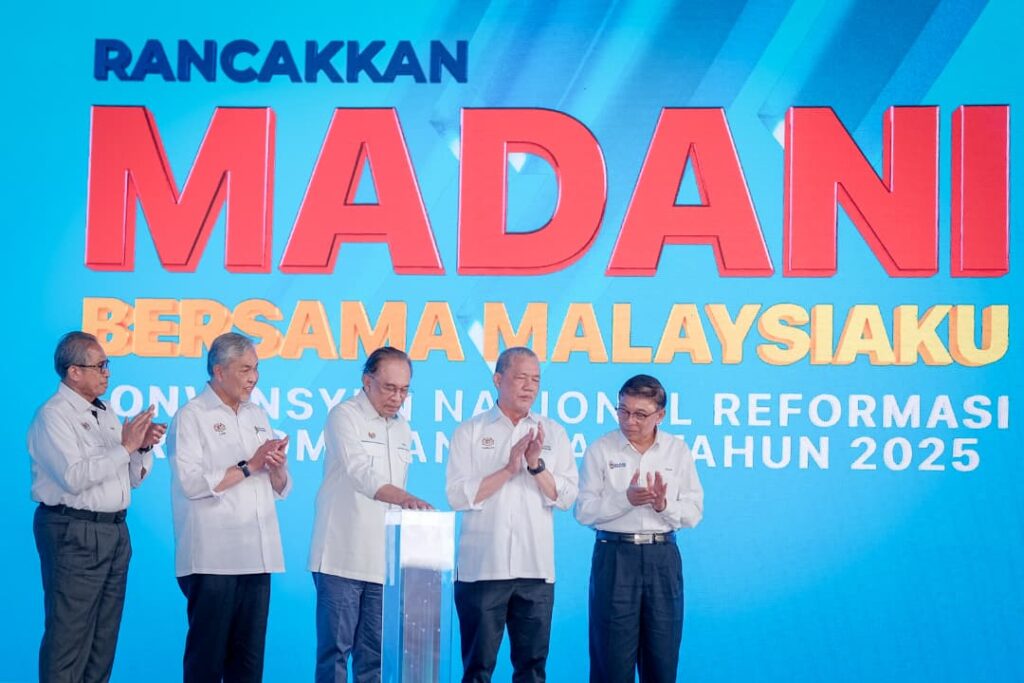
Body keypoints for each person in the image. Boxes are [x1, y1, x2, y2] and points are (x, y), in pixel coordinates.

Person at [28, 331, 165, 683]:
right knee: (69, 638)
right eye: (100, 365)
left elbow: (132, 478)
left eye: (107, 364)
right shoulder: (53, 416)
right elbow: (74, 477)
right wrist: (125, 446)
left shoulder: (105, 413)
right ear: (74, 372)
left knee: (103, 640)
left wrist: (141, 447)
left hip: (115, 531)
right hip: (74, 531)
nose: (108, 372)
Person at [446, 346, 578, 683]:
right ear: (498, 379)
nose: (529, 386)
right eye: (521, 378)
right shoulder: (470, 431)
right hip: (481, 569)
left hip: (535, 570)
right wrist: (507, 470)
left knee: (532, 670)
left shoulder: (554, 432)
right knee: (477, 670)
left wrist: (535, 465)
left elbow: (566, 497)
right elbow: (457, 495)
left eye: (535, 379)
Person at [168, 332, 290, 683]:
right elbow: (192, 483)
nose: (254, 378)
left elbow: (278, 487)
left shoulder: (257, 414)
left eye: (256, 369)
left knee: (249, 665)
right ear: (219, 371)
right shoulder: (192, 416)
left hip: (258, 556)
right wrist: (250, 466)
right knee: (206, 662)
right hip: (213, 559)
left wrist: (276, 468)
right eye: (245, 369)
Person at [308, 346, 433, 683]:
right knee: (334, 654)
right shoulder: (344, 416)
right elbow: (360, 472)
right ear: (367, 381)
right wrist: (406, 498)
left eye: (404, 390)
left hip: (382, 562)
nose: (397, 398)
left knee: (374, 656)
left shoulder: (403, 428)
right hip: (340, 557)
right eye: (390, 388)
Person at [575, 374, 704, 683]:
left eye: (640, 414)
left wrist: (664, 506)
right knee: (611, 663)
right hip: (615, 558)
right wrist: (626, 500)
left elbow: (694, 512)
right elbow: (583, 512)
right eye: (623, 410)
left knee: (661, 660)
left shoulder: (677, 451)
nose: (629, 421)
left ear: (660, 415)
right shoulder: (600, 450)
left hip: (662, 558)